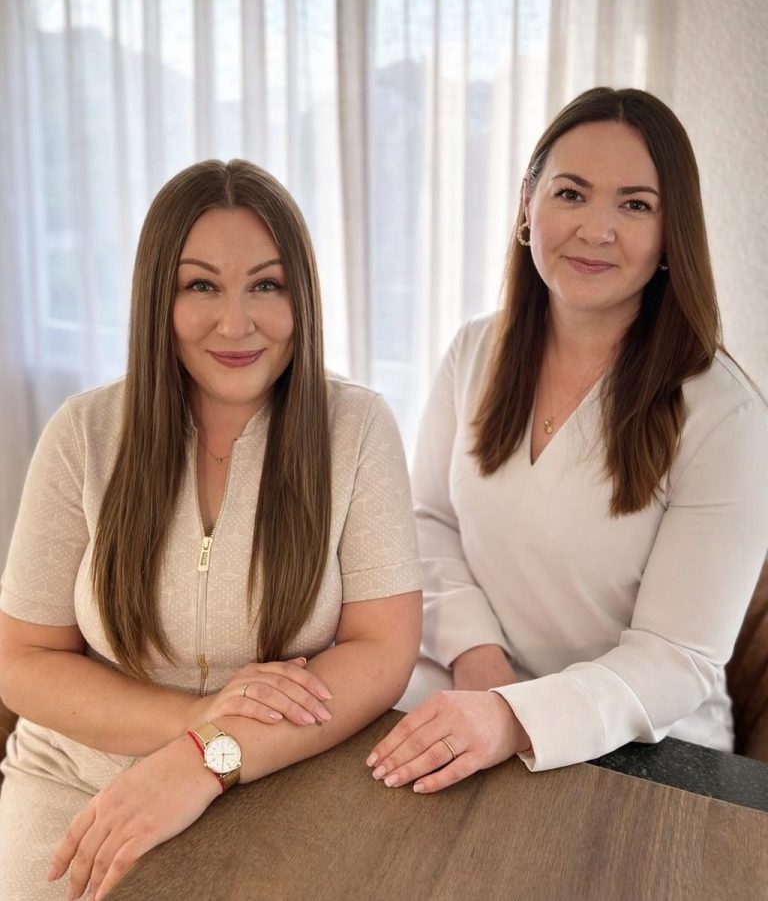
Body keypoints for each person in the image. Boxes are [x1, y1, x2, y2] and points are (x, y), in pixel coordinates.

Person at [0, 159, 422, 899]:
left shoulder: (356, 428)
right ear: (158, 298)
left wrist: (207, 757)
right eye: (201, 286)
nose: (236, 323)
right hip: (76, 781)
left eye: (267, 285)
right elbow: (23, 659)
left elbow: (382, 651)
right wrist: (193, 721)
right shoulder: (82, 434)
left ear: (301, 297)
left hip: (275, 776)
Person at [367, 87, 768, 794]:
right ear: (529, 204)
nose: (596, 229)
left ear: (672, 232)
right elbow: (427, 522)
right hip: (474, 696)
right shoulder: (473, 351)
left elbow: (677, 658)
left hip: (647, 747)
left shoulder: (725, 415)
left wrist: (515, 715)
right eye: (571, 193)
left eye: (635, 205)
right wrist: (478, 662)